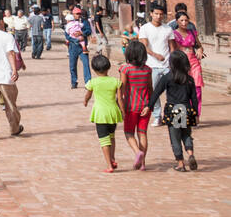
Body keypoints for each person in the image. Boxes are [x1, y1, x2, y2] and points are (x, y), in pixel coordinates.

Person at [143, 49, 199, 171]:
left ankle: (180, 163)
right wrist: (196, 113)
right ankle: (190, 154)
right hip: (186, 109)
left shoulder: (168, 78)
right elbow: (194, 98)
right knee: (186, 134)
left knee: (175, 138)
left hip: (173, 110)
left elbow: (156, 93)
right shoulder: (189, 80)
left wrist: (149, 106)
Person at [82, 54, 123, 172]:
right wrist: (123, 112)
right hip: (113, 112)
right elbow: (120, 99)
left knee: (104, 140)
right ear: (108, 67)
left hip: (100, 114)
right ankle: (113, 158)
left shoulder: (93, 82)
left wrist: (85, 101)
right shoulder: (115, 81)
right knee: (112, 137)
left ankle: (109, 165)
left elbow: (88, 94)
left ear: (94, 69)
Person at [118, 38, 152, 170]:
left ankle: (138, 152)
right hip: (145, 106)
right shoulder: (148, 70)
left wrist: (121, 107)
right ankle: (143, 163)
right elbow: (150, 88)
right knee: (142, 133)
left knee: (129, 133)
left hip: (131, 107)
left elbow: (121, 89)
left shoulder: (125, 69)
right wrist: (151, 105)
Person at [136, 5, 173, 125]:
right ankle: (157, 116)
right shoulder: (145, 28)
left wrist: (173, 63)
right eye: (156, 13)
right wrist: (155, 55)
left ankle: (171, 115)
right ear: (151, 14)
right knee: (154, 92)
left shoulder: (168, 29)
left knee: (172, 91)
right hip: (152, 65)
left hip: (167, 65)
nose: (158, 16)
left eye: (161, 14)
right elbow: (144, 45)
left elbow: (172, 47)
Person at [170, 11, 204, 120]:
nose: (184, 23)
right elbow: (172, 50)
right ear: (177, 21)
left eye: (186, 20)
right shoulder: (173, 34)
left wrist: (199, 50)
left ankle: (196, 115)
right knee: (183, 89)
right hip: (181, 63)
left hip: (194, 62)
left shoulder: (192, 32)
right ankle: (184, 115)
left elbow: (199, 46)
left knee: (197, 89)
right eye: (181, 20)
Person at [65, 5, 94, 89]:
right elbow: (67, 35)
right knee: (72, 65)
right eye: (76, 14)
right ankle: (74, 82)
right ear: (73, 14)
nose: (78, 15)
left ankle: (88, 82)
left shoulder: (84, 22)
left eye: (79, 13)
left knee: (86, 64)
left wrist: (82, 33)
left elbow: (89, 31)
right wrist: (74, 40)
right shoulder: (69, 23)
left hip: (83, 47)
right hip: (73, 46)